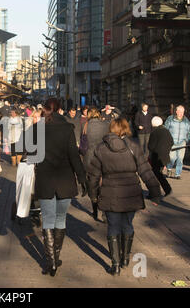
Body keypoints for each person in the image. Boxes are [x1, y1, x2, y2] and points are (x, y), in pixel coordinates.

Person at [88, 118, 161, 276]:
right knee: (127, 224)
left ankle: (115, 265)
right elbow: (145, 171)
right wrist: (155, 192)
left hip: (109, 193)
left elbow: (93, 175)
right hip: (131, 194)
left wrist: (93, 195)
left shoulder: (101, 148)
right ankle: (125, 258)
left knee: (113, 226)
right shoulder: (133, 146)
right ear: (126, 129)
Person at [34, 98, 87, 277]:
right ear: (61, 111)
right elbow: (74, 155)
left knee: (47, 219)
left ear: (45, 110)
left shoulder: (37, 128)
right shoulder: (67, 129)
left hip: (45, 178)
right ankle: (55, 256)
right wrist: (82, 178)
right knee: (60, 219)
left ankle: (52, 262)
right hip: (65, 179)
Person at [82, 107, 110, 221]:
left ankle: (94, 207)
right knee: (103, 184)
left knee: (92, 182)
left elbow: (82, 145)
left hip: (89, 157)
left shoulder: (86, 125)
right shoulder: (106, 125)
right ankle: (104, 213)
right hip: (103, 156)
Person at [148, 116, 174, 198]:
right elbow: (172, 142)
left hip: (156, 157)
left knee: (153, 176)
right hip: (165, 157)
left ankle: (155, 193)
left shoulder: (155, 132)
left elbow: (150, 146)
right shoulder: (166, 131)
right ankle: (167, 189)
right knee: (158, 174)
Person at [165, 105, 190, 179]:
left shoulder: (187, 122)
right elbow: (165, 129)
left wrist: (186, 140)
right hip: (172, 142)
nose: (181, 113)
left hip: (182, 143)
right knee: (172, 158)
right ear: (176, 111)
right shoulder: (170, 119)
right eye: (179, 111)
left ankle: (178, 174)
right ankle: (169, 169)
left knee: (180, 159)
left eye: (182, 112)